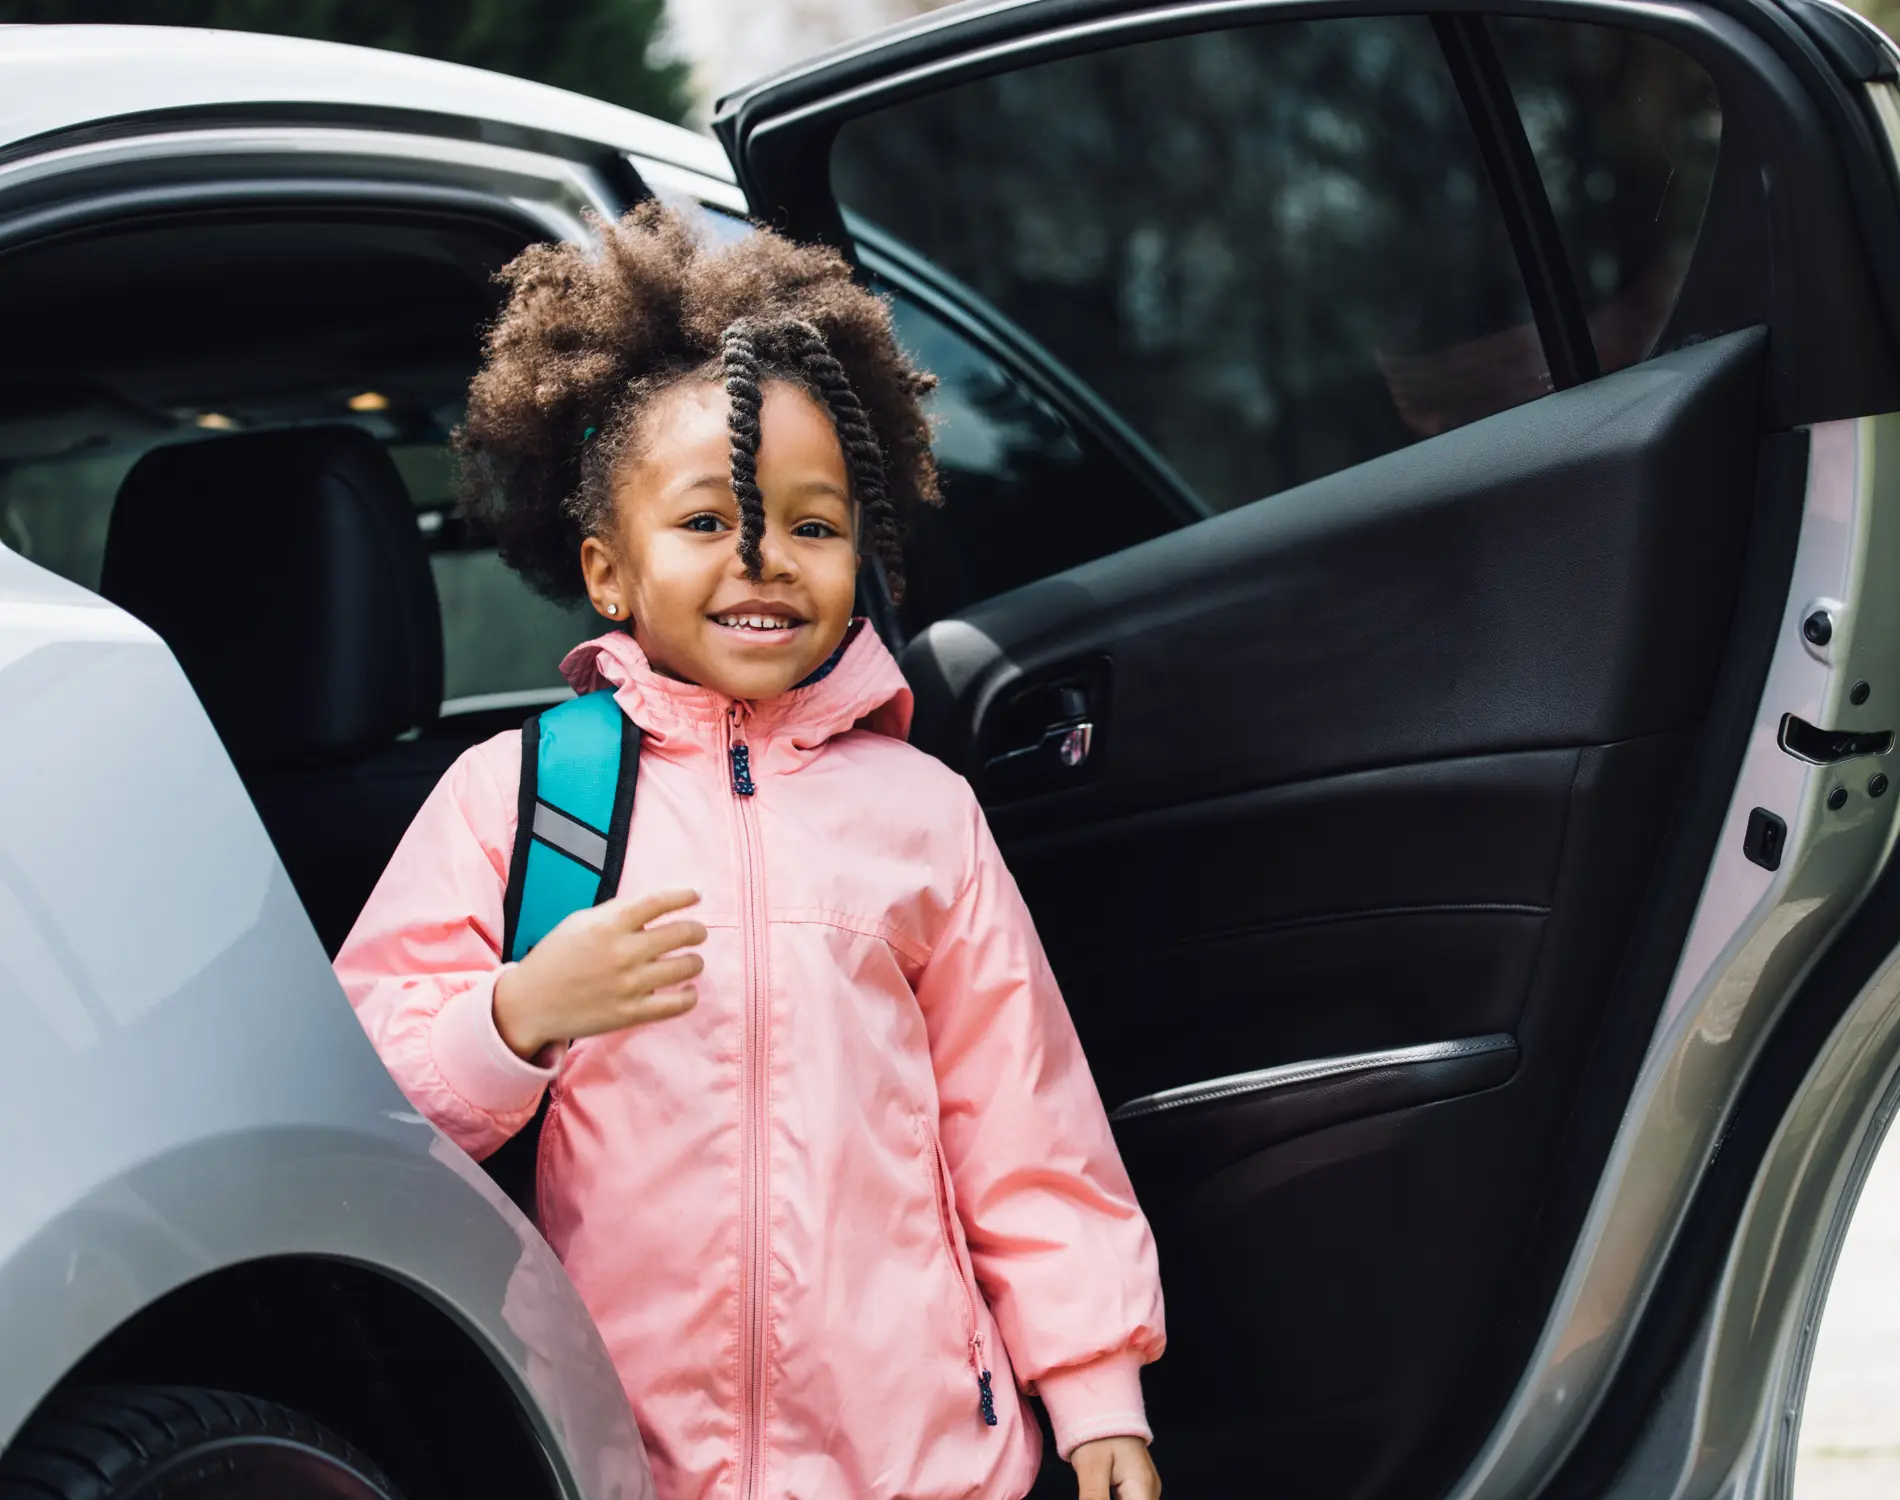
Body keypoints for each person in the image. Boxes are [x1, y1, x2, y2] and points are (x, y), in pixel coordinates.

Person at [335, 204, 1165, 1500]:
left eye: (813, 524)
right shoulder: (521, 798)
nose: (765, 560)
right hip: (617, 1456)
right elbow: (360, 1078)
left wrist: (1095, 1381)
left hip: (922, 1457)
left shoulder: (922, 812)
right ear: (609, 572)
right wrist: (516, 1017)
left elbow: (1023, 1121)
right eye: (709, 522)